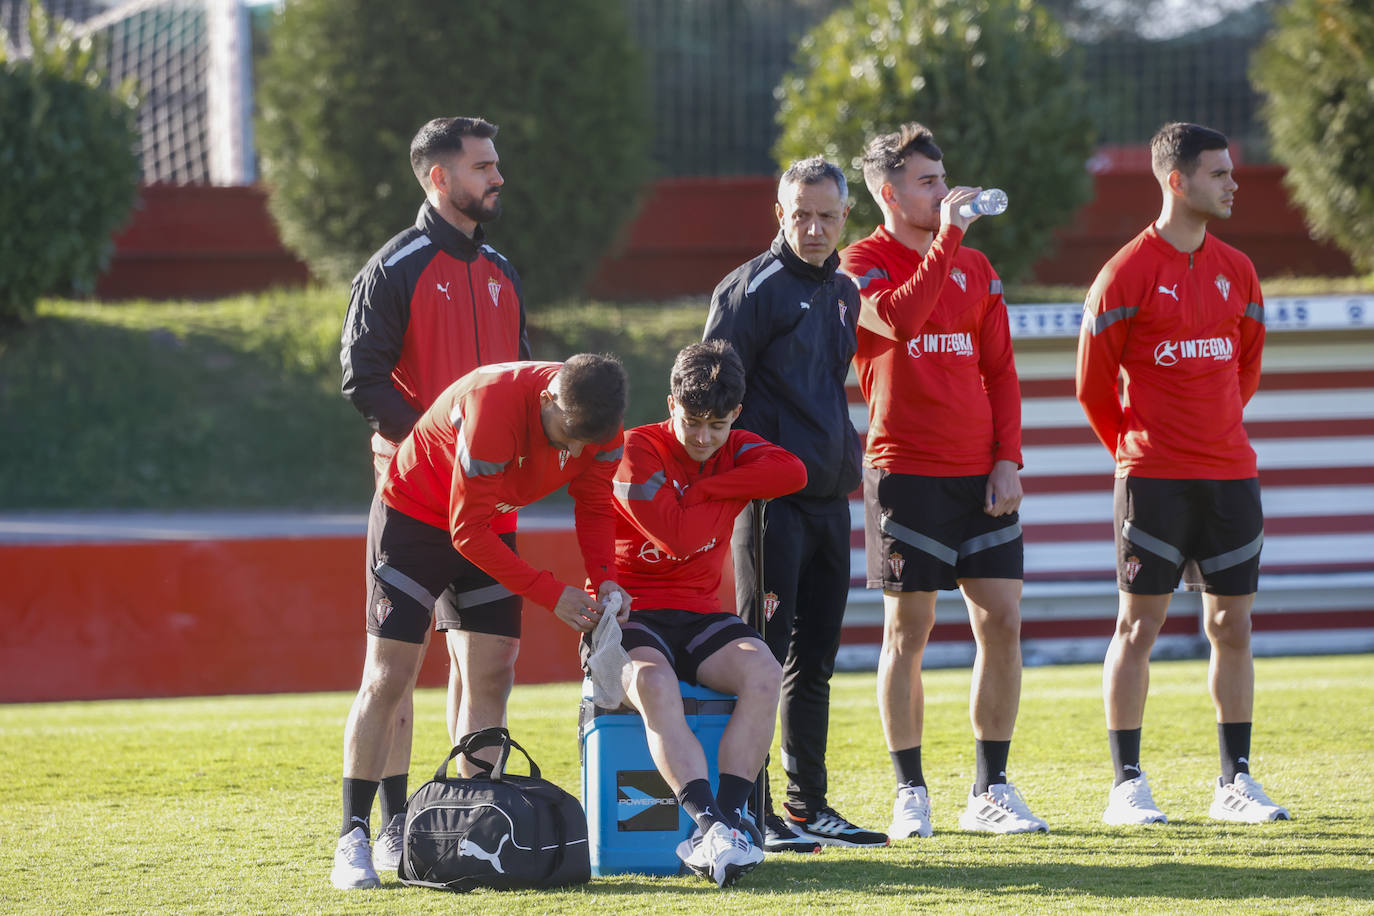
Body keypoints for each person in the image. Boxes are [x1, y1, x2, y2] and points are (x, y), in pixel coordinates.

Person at [331, 356, 633, 890]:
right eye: (569, 435)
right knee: (389, 676)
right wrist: (549, 593)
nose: (578, 451)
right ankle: (353, 835)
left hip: (488, 521)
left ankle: (472, 821)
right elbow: (463, 531)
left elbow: (593, 504)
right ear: (548, 400)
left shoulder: (600, 427)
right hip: (415, 521)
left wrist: (605, 578)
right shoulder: (493, 404)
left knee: (492, 670)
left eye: (592, 440)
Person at [1076, 122, 1288, 827]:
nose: (1234, 184)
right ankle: (1126, 785)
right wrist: (1138, 449)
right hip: (1152, 482)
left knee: (1232, 624)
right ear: (1178, 180)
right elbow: (1093, 388)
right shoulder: (1124, 273)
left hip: (1231, 477)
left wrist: (1213, 433)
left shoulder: (1240, 270)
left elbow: (1245, 368)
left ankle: (1236, 780)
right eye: (1220, 173)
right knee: (1139, 627)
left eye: (1232, 172)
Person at [840, 122, 1048, 839]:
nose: (944, 191)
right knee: (909, 630)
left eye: (942, 177)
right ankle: (911, 791)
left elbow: (1001, 372)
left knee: (1003, 621)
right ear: (887, 191)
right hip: (904, 474)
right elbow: (898, 321)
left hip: (978, 476)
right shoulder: (859, 262)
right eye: (928, 182)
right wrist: (947, 241)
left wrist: (1007, 459)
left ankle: (991, 787)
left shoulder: (979, 268)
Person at [339, 116, 528, 870]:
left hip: (493, 509)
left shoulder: (504, 271)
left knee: (492, 669)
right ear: (437, 177)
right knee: (392, 673)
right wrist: (440, 449)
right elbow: (363, 377)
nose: (497, 177)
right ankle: (365, 833)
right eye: (483, 166)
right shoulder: (395, 268)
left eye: (496, 164)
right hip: (417, 505)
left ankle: (463, 830)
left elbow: (519, 385)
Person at [703, 158, 887, 850]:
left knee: (816, 657)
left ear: (845, 219)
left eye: (826, 216)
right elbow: (711, 391)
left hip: (828, 500)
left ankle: (807, 806)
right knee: (760, 656)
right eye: (799, 214)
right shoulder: (751, 289)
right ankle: (748, 810)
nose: (812, 228)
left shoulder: (844, 290)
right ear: (778, 214)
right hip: (769, 506)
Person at [603, 340, 808, 887]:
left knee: (765, 672)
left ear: (736, 416)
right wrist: (728, 491)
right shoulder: (635, 447)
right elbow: (675, 535)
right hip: (629, 614)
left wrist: (707, 487)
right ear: (671, 403)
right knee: (653, 682)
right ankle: (708, 823)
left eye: (716, 426)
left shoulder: (734, 448)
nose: (702, 438)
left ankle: (732, 822)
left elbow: (793, 473)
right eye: (691, 421)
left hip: (697, 615)